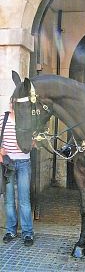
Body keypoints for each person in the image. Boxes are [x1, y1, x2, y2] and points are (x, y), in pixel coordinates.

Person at [0, 103, 34, 246]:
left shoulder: (28, 120)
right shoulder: (3, 118)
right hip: (8, 164)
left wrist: (33, 143)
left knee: (24, 200)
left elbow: (36, 141)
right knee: (9, 199)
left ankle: (27, 233)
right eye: (12, 102)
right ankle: (10, 230)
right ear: (10, 104)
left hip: (24, 163)